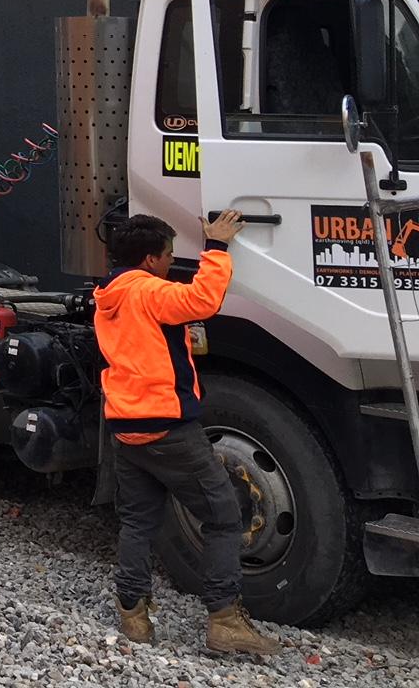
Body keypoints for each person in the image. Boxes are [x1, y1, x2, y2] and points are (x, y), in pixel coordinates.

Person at [94, 209, 280, 656]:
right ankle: (225, 621)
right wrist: (216, 246)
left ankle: (134, 614)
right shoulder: (149, 291)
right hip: (167, 426)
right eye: (167, 255)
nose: (169, 261)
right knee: (223, 514)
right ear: (149, 259)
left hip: (125, 424)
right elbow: (202, 301)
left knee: (138, 520)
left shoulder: (110, 294)